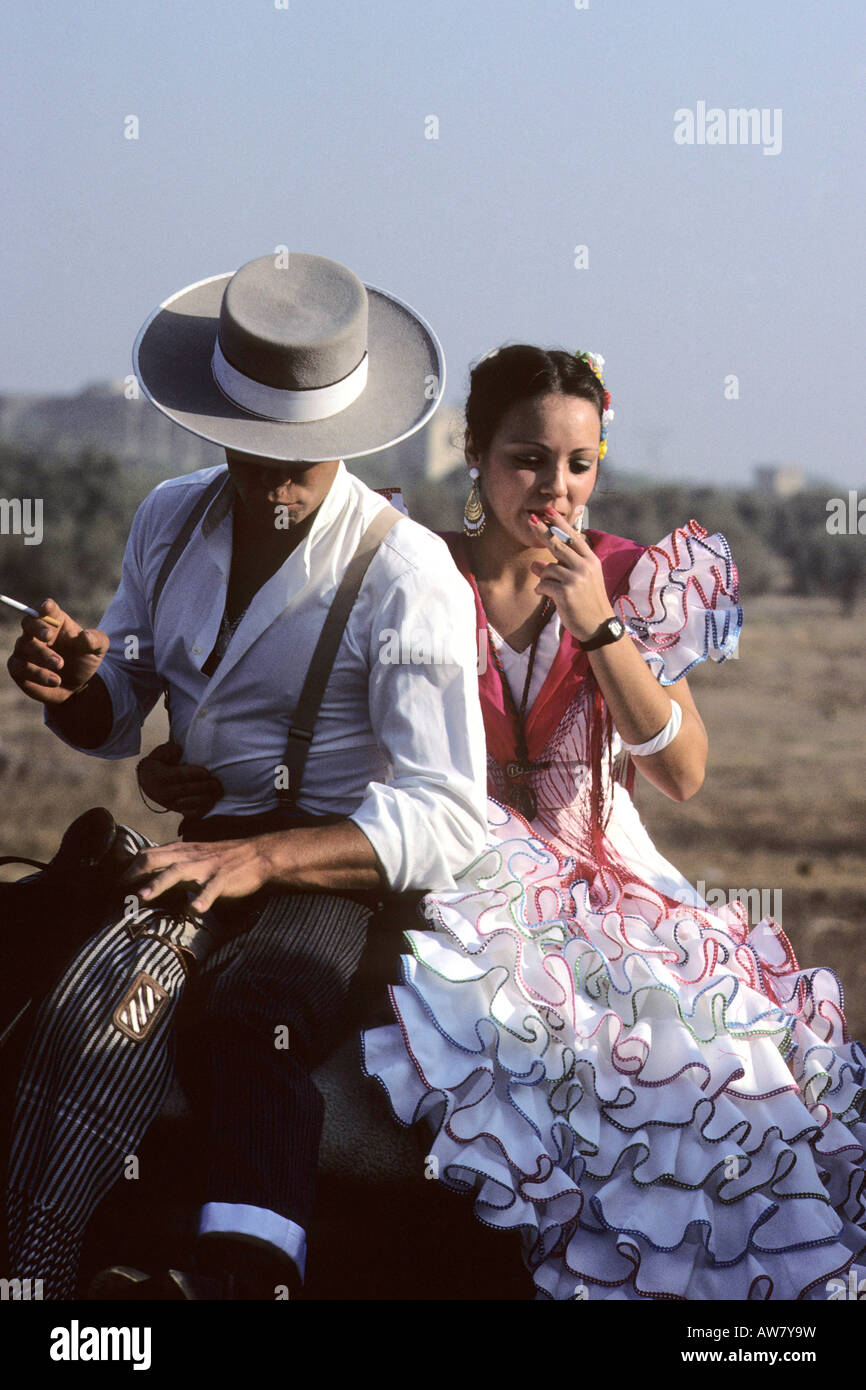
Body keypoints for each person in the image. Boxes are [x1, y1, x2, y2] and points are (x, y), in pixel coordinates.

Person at [3, 252, 488, 1299]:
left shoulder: (405, 576)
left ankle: (239, 1274)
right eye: (250, 451)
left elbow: (449, 816)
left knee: (253, 1016)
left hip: (332, 870)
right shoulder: (169, 519)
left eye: (297, 459)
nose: (270, 480)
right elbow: (122, 706)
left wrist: (264, 853)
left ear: (347, 440)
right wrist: (78, 681)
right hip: (193, 850)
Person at [361, 344, 866, 1301]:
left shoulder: (631, 579)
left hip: (612, 880)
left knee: (720, 1069)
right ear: (472, 451)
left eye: (579, 464)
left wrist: (599, 624)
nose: (554, 487)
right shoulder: (415, 569)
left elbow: (680, 772)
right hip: (459, 870)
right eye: (526, 458)